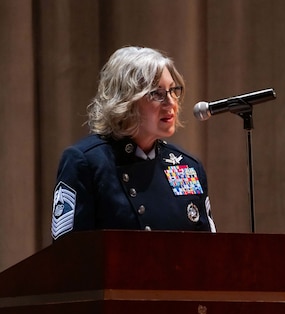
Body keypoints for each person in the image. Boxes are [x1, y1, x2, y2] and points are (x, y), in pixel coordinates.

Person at [51, 46, 216, 240]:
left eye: (173, 90)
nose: (171, 102)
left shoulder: (187, 165)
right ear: (125, 100)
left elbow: (209, 252)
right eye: (157, 93)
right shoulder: (86, 162)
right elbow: (68, 255)